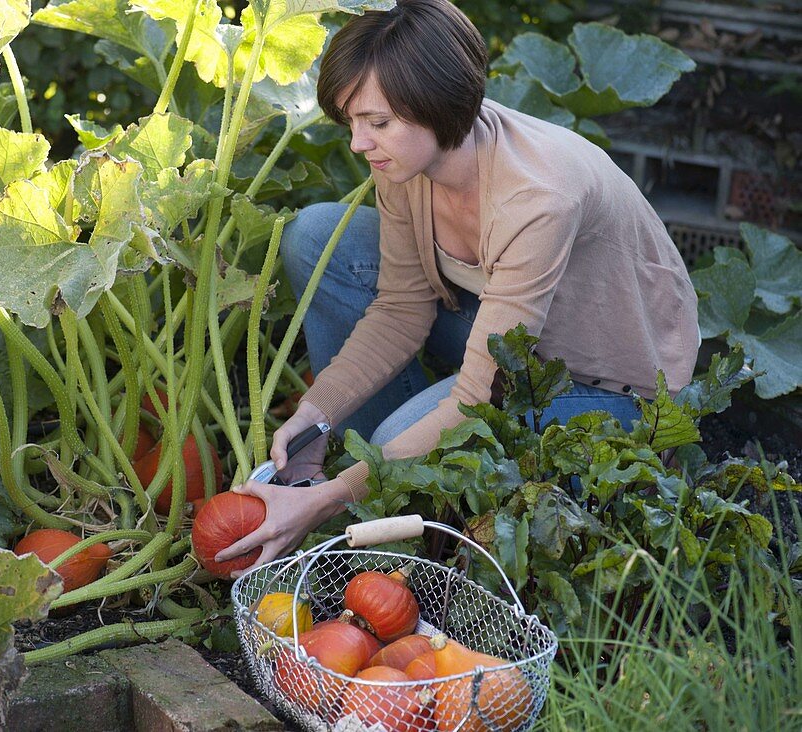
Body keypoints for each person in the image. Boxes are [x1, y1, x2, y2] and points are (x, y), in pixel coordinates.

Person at [213, 0, 699, 575]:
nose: (358, 144)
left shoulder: (536, 198)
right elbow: (400, 309)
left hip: (606, 388)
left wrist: (327, 498)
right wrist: (317, 416)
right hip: (516, 341)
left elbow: (477, 396)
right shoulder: (406, 161)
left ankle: (389, 493)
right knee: (315, 236)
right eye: (351, 122)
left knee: (401, 436)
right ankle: (381, 483)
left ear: (436, 105)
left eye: (377, 123)